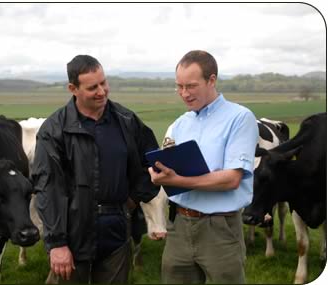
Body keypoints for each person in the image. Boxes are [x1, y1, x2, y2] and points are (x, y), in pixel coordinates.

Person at [32, 54, 160, 284]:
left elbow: (152, 162)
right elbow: (47, 187)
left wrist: (132, 200)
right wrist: (57, 243)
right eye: (93, 87)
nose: (102, 91)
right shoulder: (54, 129)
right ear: (73, 88)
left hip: (116, 230)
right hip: (72, 232)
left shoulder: (126, 120)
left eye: (104, 83)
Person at [148, 50, 258, 284]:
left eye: (191, 86)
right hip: (179, 226)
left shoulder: (240, 118)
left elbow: (231, 179)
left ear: (212, 80)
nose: (184, 94)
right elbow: (167, 169)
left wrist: (177, 181)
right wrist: (157, 174)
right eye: (179, 86)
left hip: (220, 228)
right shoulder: (179, 125)